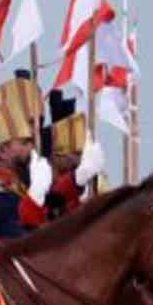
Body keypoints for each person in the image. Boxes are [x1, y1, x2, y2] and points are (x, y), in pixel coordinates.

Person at [0, 72, 53, 239]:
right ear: (2, 150)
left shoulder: (21, 181)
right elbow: (14, 233)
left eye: (39, 122)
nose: (33, 146)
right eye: (26, 142)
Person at [43, 91, 106, 220]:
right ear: (54, 155)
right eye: (75, 153)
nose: (78, 160)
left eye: (81, 154)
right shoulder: (38, 183)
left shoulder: (91, 183)